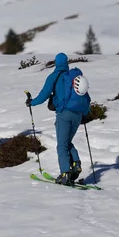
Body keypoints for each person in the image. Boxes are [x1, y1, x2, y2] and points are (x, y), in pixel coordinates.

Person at [26, 52, 89, 185]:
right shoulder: (75, 78)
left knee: (61, 145)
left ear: (56, 63)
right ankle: (76, 163)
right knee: (66, 142)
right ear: (66, 63)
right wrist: (85, 112)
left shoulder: (54, 77)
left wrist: (31, 103)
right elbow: (85, 97)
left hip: (64, 115)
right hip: (77, 115)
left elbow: (44, 95)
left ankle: (65, 173)